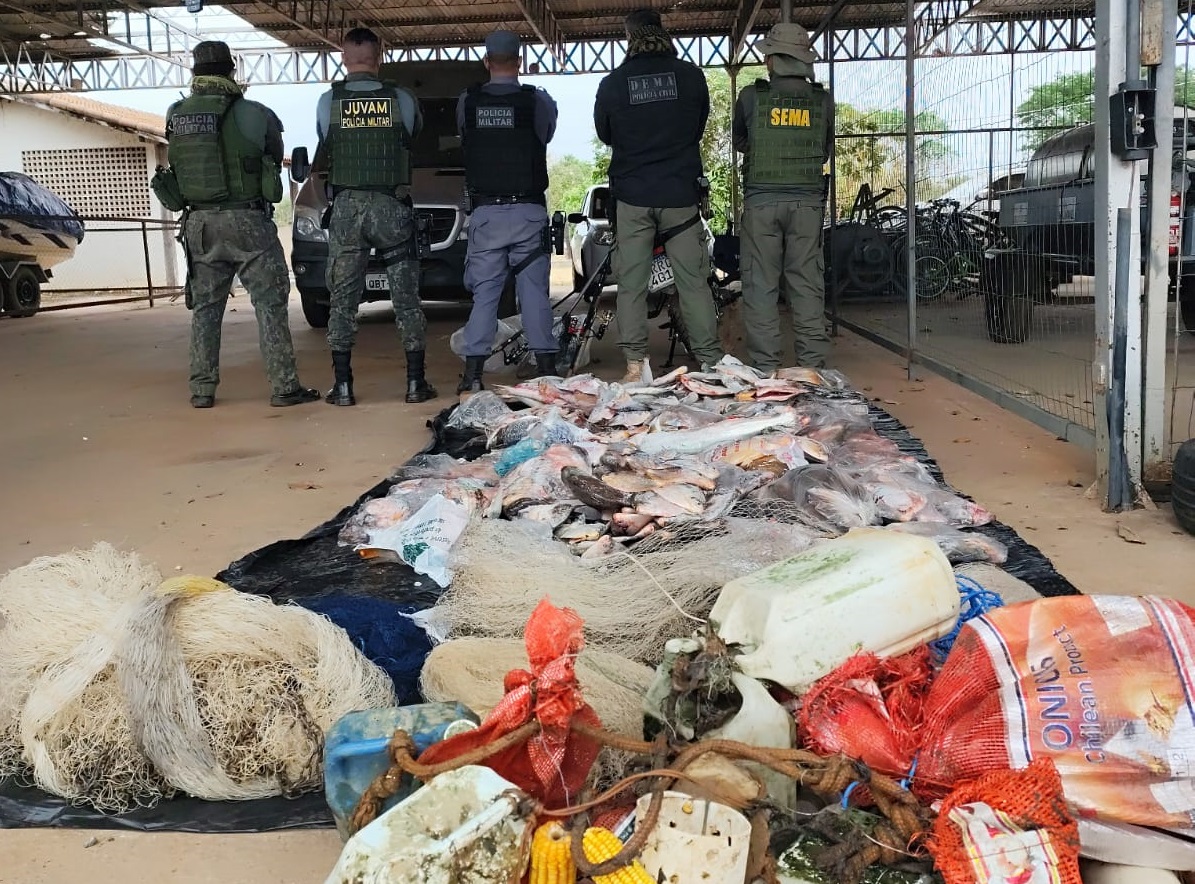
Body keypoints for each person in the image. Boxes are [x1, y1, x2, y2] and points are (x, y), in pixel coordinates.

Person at [162, 41, 318, 409]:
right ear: (231, 70)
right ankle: (284, 387)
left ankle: (202, 390)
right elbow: (271, 159)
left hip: (199, 224)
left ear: (195, 73)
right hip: (248, 221)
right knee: (270, 305)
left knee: (205, 309)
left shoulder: (176, 113)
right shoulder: (255, 113)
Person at [594, 8, 723, 382]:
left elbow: (606, 134)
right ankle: (712, 363)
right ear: (662, 33)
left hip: (633, 197)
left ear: (629, 38)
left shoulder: (614, 84)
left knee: (632, 285)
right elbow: (696, 128)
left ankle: (636, 366)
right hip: (680, 196)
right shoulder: (691, 77)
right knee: (693, 283)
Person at [314, 27, 434, 406]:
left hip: (347, 209)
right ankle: (416, 384)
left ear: (343, 56)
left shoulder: (327, 101)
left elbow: (325, 139)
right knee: (406, 299)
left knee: (343, 300)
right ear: (379, 55)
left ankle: (344, 386)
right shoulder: (401, 98)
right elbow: (412, 136)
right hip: (391, 206)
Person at [455, 30, 560, 394]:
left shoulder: (468, 101)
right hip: (528, 212)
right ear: (520, 62)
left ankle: (472, 376)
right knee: (533, 293)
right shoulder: (537, 101)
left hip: (487, 214)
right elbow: (544, 135)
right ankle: (548, 370)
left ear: (487, 61)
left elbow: (466, 139)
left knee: (485, 294)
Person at [732, 22, 834, 372]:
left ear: (773, 60)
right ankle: (812, 369)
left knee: (760, 287)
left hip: (761, 203)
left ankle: (765, 370)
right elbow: (824, 150)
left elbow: (741, 142)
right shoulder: (822, 100)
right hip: (807, 204)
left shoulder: (750, 96)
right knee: (806, 285)